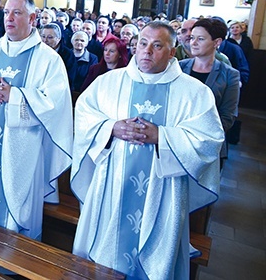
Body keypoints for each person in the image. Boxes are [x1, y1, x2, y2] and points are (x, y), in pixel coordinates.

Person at [72, 22, 224, 279]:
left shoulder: (195, 93)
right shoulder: (109, 82)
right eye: (142, 44)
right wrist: (112, 128)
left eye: (157, 46)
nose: (147, 52)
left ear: (172, 52)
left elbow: (209, 140)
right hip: (113, 184)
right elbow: (84, 116)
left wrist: (162, 136)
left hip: (163, 189)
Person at [0, 0, 73, 273]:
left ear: (33, 18)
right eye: (7, 12)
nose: (9, 18)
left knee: (17, 204)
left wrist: (14, 95)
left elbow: (55, 105)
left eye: (17, 13)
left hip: (23, 148)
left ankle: (14, 264)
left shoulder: (49, 60)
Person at [179, 18, 240, 161]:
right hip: (176, 139)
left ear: (217, 42)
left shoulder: (230, 74)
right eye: (192, 38)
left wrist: (201, 136)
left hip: (209, 143)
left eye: (200, 39)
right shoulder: (179, 67)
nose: (193, 43)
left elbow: (228, 116)